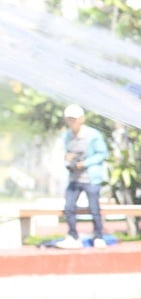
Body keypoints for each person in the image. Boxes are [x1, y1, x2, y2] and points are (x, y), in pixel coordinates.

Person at [57, 104, 109, 249]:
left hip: (90, 178)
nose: (71, 122)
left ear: (81, 119)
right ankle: (73, 236)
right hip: (74, 177)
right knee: (69, 207)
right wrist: (69, 158)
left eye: (74, 119)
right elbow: (67, 154)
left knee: (94, 208)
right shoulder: (67, 136)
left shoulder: (93, 135)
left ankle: (98, 236)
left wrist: (85, 163)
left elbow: (102, 154)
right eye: (69, 119)